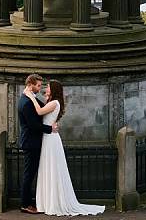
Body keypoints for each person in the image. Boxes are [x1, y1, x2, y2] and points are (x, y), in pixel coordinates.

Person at [24, 80, 105, 216]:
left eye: (48, 87)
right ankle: (47, 201)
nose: (46, 88)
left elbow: (38, 112)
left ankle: (53, 202)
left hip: (50, 140)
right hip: (48, 137)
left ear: (53, 89)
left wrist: (30, 95)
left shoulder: (55, 103)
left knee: (52, 169)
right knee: (47, 168)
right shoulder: (51, 102)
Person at [18, 74, 57, 214]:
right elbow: (33, 125)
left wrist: (47, 99)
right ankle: (25, 204)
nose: (40, 88)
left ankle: (29, 202)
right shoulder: (26, 102)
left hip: (33, 142)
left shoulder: (30, 99)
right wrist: (50, 129)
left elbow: (43, 108)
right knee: (29, 174)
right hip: (30, 143)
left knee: (31, 173)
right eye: (39, 86)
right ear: (31, 84)